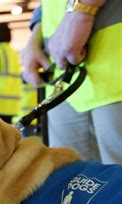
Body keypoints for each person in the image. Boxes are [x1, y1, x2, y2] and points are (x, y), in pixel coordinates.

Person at [22, 1, 122, 164]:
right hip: (65, 81)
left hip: (114, 64)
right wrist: (36, 36)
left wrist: (83, 9)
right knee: (70, 181)